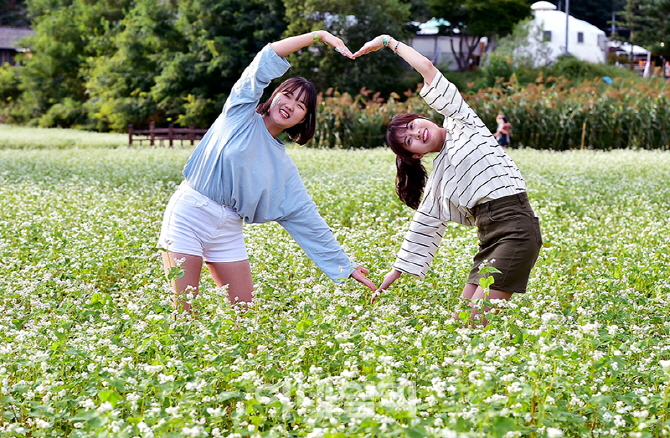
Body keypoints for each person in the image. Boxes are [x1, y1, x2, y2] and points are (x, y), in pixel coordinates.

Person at [158, 31, 376, 313]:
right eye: (287, 96)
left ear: (303, 119)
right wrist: (318, 36)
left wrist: (344, 265)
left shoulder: (282, 165)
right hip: (191, 213)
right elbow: (266, 59)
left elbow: (304, 215)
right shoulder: (240, 112)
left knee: (246, 316)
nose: (291, 106)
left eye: (301, 106)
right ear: (274, 96)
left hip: (228, 227)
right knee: (184, 311)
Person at [352, 35, 542, 326]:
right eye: (409, 141)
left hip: (516, 227)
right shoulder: (438, 180)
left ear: (423, 117)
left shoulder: (462, 121)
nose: (417, 134)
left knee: (475, 321)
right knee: (461, 322)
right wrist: (393, 275)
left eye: (413, 126)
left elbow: (427, 68)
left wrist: (389, 42)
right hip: (488, 238)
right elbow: (423, 228)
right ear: (414, 156)